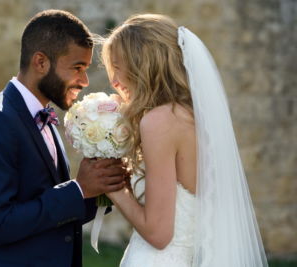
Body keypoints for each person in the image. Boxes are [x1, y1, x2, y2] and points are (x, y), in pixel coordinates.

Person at [101, 14, 268, 266]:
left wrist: (112, 187)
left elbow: (158, 233)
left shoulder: (160, 121)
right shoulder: (194, 116)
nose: (113, 81)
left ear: (142, 65)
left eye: (118, 66)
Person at [0, 10, 126, 267]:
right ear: (40, 62)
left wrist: (101, 188)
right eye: (77, 68)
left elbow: (51, 213)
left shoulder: (45, 118)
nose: (84, 81)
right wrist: (79, 189)